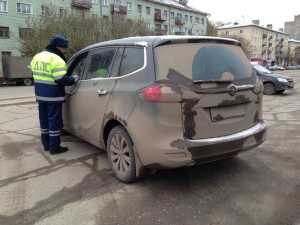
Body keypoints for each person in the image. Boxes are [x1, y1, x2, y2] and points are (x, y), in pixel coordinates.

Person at [30, 34, 79, 155]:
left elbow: (34, 73)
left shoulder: (37, 56)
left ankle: (46, 145)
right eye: (64, 48)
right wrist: (73, 79)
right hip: (53, 96)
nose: (65, 50)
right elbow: (60, 79)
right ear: (58, 47)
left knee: (44, 121)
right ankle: (54, 147)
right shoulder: (57, 59)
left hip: (40, 96)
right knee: (54, 122)